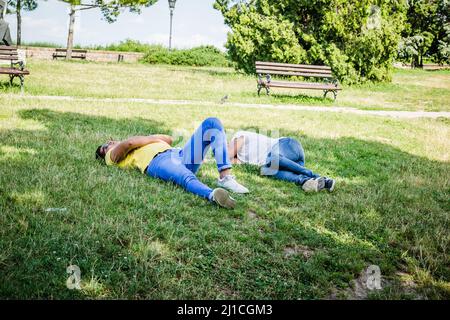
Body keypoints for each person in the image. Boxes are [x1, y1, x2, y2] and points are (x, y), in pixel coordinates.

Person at [95, 117, 249, 209]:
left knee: (211, 123)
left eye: (109, 142)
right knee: (185, 177)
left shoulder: (141, 142)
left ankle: (225, 177)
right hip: (157, 161)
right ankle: (212, 195)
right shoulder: (111, 156)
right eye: (105, 146)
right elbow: (129, 144)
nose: (108, 144)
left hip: (178, 153)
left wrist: (145, 140)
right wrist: (142, 140)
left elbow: (169, 138)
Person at [228, 131, 335, 192]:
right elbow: (231, 161)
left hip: (288, 145)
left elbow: (227, 157)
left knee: (272, 159)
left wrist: (221, 156)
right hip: (288, 163)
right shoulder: (239, 157)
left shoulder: (238, 136)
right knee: (265, 170)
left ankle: (314, 175)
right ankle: (308, 181)